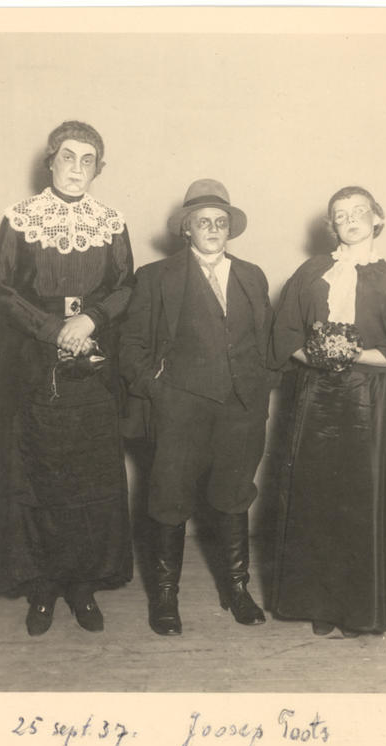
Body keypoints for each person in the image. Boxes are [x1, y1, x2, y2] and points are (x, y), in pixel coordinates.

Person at [0, 120, 135, 635]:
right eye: (68, 157)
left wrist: (89, 321)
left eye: (88, 160)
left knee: (89, 473)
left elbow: (125, 286)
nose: (77, 168)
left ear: (99, 168)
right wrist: (54, 330)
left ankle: (82, 585)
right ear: (50, 161)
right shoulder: (20, 219)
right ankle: (42, 587)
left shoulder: (111, 223)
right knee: (40, 474)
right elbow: (5, 291)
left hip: (93, 363)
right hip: (35, 364)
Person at [119, 179, 277, 635]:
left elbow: (266, 342)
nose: (212, 228)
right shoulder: (156, 277)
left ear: (230, 229)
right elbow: (130, 347)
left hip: (241, 410)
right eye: (202, 221)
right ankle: (165, 597)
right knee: (169, 500)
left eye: (220, 222)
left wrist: (261, 389)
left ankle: (237, 589)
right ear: (186, 229)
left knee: (234, 496)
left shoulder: (252, 275)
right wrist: (159, 391)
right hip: (180, 410)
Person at [268, 186, 386, 637]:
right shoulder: (310, 274)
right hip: (318, 398)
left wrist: (354, 354)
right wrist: (318, 357)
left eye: (360, 211)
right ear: (331, 226)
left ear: (377, 218)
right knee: (317, 499)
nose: (351, 219)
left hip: (373, 402)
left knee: (363, 500)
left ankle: (363, 606)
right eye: (341, 214)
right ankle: (320, 603)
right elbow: (285, 333)